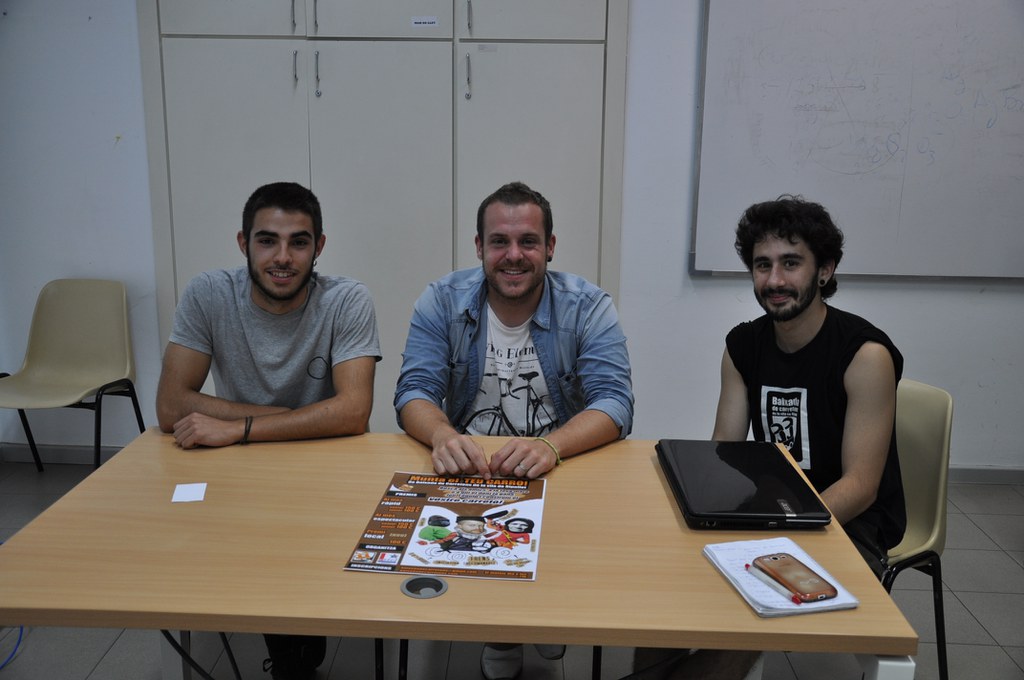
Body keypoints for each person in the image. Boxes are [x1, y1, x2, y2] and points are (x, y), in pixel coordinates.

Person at [394, 181, 634, 680]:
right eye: (499, 241)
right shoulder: (441, 300)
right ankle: (501, 630)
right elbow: (413, 391)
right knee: (480, 542)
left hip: (563, 463)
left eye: (528, 241)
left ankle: (546, 611)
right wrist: (442, 435)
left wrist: (551, 446)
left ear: (550, 246)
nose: (514, 255)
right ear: (479, 247)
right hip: (475, 469)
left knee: (561, 548)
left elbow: (615, 402)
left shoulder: (588, 306)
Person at [156, 181, 381, 680]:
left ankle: (300, 640)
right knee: (265, 580)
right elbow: (171, 405)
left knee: (313, 577)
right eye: (267, 241)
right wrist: (289, 419)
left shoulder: (347, 299)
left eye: (298, 242)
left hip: (326, 470)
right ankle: (287, 656)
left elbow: (353, 413)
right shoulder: (209, 293)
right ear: (244, 243)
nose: (282, 257)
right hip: (245, 468)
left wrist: (237, 427)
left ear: (319, 247)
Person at [712, 195, 905, 573]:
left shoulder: (865, 354)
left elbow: (861, 486)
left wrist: (784, 532)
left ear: (824, 271)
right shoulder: (742, 346)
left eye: (791, 263)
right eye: (763, 265)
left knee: (777, 590)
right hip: (773, 506)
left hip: (851, 520)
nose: (775, 280)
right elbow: (724, 452)